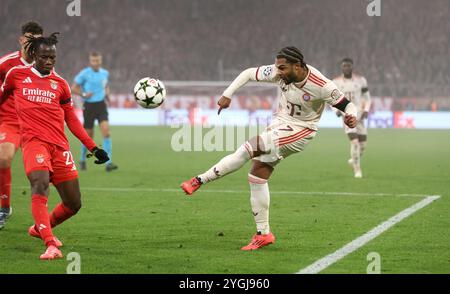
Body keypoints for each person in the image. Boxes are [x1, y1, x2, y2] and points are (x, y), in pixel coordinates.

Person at [180, 46, 358, 250]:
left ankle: (200, 180)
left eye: (282, 68)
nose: (278, 72)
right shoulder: (280, 72)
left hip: (301, 130)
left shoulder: (322, 85)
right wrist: (227, 94)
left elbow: (347, 104)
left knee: (251, 146)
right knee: (257, 176)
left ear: (298, 66)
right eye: (277, 68)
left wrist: (351, 116)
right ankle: (263, 234)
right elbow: (248, 73)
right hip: (279, 123)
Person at [0, 33, 109, 260]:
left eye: (52, 57)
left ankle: (39, 227)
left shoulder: (60, 84)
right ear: (33, 56)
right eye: (44, 57)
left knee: (73, 203)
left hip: (59, 146)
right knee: (39, 185)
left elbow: (71, 119)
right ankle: (50, 244)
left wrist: (93, 147)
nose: (49, 61)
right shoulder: (16, 75)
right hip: (34, 143)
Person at [0, 21, 43, 230]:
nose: (32, 43)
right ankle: (4, 208)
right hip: (9, 122)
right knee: (3, 157)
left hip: (33, 126)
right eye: (29, 38)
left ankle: (43, 223)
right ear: (21, 39)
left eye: (36, 39)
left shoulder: (43, 65)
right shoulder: (6, 63)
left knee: (40, 173)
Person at [71, 52, 118, 172]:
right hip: (89, 106)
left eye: (97, 61)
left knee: (106, 132)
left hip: (101, 105)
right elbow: (73, 88)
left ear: (100, 61)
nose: (96, 63)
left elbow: (106, 85)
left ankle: (108, 162)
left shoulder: (104, 73)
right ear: (90, 61)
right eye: (93, 61)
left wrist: (107, 94)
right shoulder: (84, 74)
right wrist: (84, 94)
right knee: (88, 136)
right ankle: (82, 160)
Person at [333, 58, 371, 178]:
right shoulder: (336, 82)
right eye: (344, 66)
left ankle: (353, 160)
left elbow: (367, 97)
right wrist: (336, 110)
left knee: (363, 146)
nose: (346, 68)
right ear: (341, 67)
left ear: (352, 67)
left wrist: (366, 110)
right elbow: (331, 99)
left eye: (348, 66)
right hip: (347, 116)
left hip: (359, 116)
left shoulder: (361, 80)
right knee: (355, 143)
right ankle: (357, 170)